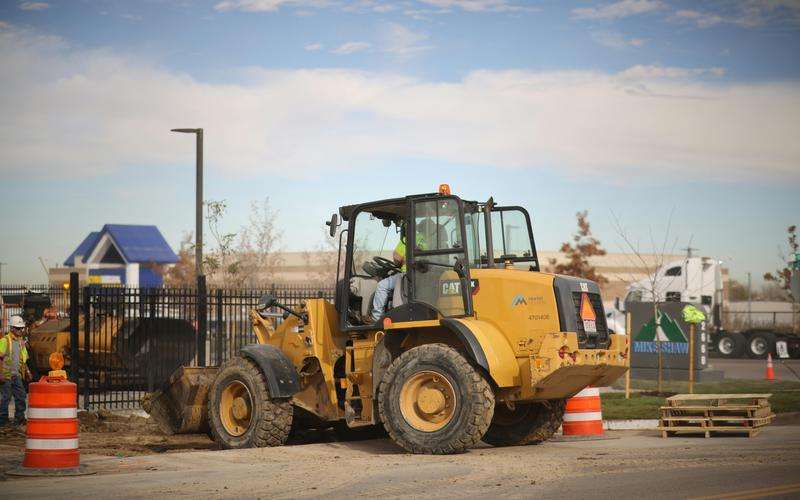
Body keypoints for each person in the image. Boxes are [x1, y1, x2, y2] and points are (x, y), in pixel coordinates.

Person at [0, 315, 30, 427]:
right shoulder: (5, 340)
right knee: (6, 397)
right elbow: (0, 358)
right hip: (6, 375)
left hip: (16, 375)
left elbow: (24, 359)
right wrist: (1, 373)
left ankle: (19, 418)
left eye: (21, 328)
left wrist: (27, 371)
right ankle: (3, 421)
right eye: (18, 328)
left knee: (21, 396)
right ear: (12, 328)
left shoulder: (21, 342)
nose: (21, 330)